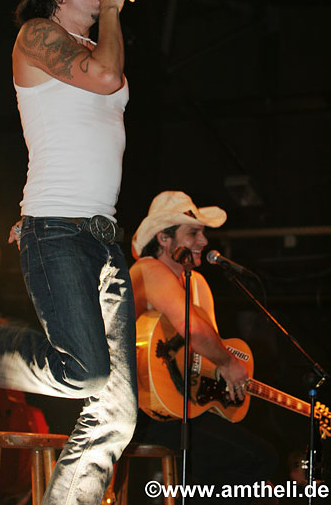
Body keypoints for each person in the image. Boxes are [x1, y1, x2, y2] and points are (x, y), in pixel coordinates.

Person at [0, 0, 137, 505]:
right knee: (85, 373)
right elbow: (104, 77)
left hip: (102, 235)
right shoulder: (36, 34)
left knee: (117, 414)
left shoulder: (95, 44)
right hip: (58, 229)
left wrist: (107, 18)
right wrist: (112, 8)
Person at [130, 191, 278, 504]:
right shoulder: (147, 269)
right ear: (164, 238)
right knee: (257, 460)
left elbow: (205, 356)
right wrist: (228, 363)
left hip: (181, 409)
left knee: (257, 469)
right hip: (142, 411)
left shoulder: (197, 284)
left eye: (203, 233)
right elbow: (194, 330)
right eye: (193, 233)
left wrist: (226, 382)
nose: (204, 241)